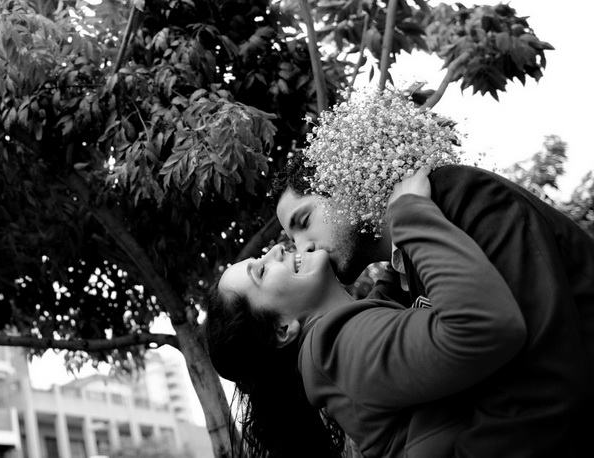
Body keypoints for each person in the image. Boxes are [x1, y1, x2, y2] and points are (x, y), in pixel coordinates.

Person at [274, 158, 594, 457]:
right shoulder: (410, 261)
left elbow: (546, 381)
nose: (305, 250)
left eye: (303, 221)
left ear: (344, 183)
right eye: (293, 240)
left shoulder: (459, 194)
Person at [206, 167, 526, 458]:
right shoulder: (338, 350)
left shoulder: (356, 329)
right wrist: (412, 213)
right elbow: (485, 328)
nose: (276, 249)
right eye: (260, 272)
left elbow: (393, 275)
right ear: (282, 329)